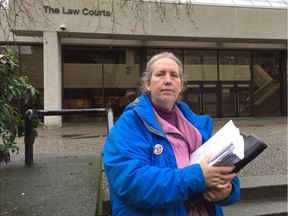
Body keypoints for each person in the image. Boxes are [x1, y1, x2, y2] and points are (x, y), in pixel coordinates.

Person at [102, 52, 240, 215]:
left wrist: (228, 190)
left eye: (174, 75)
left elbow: (218, 168)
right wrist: (196, 177)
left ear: (181, 85)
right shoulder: (128, 125)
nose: (168, 80)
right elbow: (130, 182)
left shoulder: (196, 125)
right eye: (160, 74)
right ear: (148, 84)